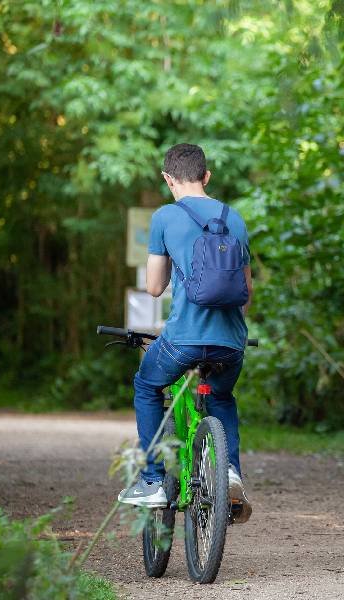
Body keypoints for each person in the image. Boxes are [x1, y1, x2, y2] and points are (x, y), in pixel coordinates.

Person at [117, 143, 254, 523]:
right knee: (222, 397)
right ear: (207, 176)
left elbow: (155, 288)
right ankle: (229, 473)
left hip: (184, 339)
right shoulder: (235, 219)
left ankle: (153, 481)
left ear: (167, 179)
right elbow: (247, 292)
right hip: (231, 342)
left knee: (147, 385)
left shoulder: (164, 217)